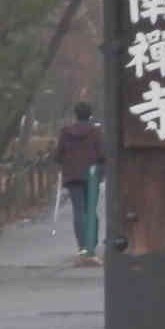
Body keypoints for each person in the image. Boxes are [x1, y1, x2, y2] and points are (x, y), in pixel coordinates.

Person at [54, 102, 106, 258]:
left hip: (73, 176)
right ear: (90, 115)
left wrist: (65, 162)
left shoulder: (66, 132)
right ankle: (93, 242)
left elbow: (58, 155)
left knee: (78, 210)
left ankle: (82, 245)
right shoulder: (96, 132)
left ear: (75, 115)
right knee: (91, 209)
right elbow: (103, 154)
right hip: (92, 175)